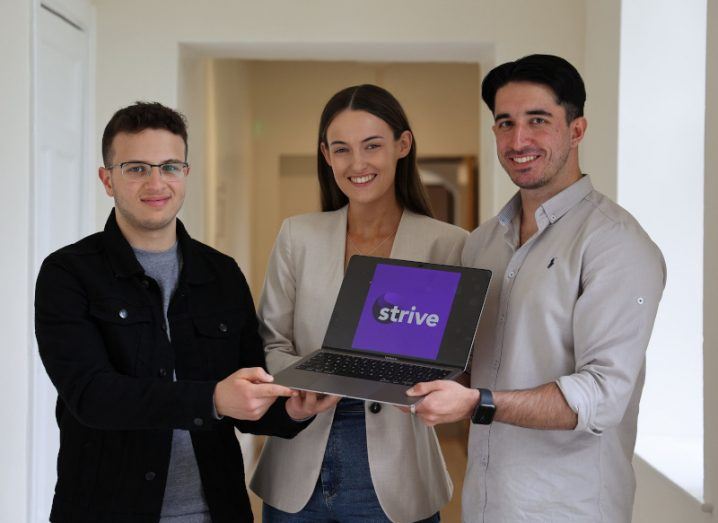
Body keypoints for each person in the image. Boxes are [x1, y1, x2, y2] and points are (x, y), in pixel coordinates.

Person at [34, 101, 335, 522]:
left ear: (186, 174)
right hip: (105, 509)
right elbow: (92, 395)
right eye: (136, 168)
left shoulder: (222, 273)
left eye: (170, 166)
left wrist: (292, 411)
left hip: (216, 509)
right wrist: (211, 398)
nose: (156, 182)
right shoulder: (67, 273)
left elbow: (249, 389)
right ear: (107, 179)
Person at [407, 55, 666, 522]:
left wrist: (477, 403)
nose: (518, 140)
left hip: (568, 509)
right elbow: (468, 364)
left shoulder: (616, 244)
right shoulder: (483, 242)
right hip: (486, 502)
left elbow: (603, 394)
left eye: (538, 121)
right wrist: (390, 368)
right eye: (505, 123)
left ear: (578, 130)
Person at [249, 84, 467, 523]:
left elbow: (456, 357)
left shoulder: (448, 244)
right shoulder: (298, 235)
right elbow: (271, 338)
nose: (358, 163)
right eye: (342, 149)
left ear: (402, 145)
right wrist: (307, 382)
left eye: (373, 146)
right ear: (326, 156)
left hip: (397, 470)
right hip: (299, 460)